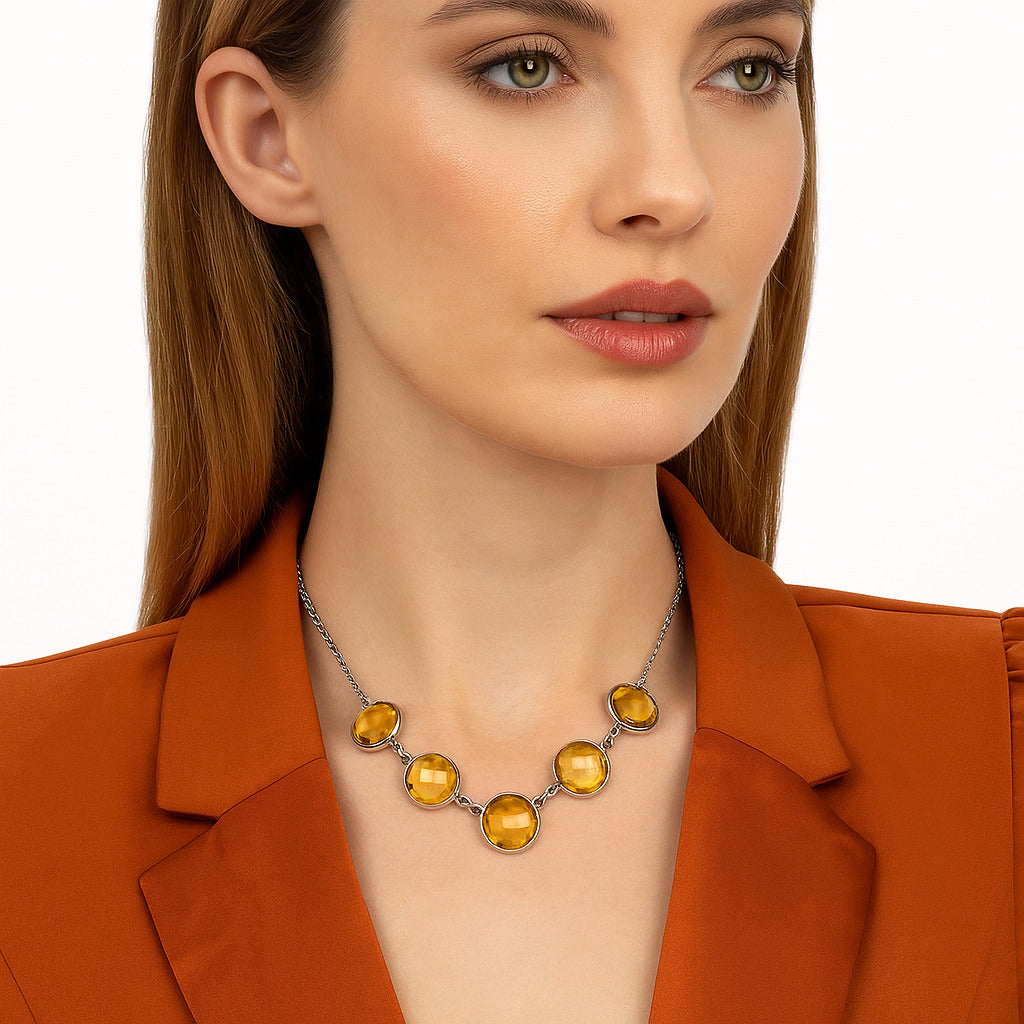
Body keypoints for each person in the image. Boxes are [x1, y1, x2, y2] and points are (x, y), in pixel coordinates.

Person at [0, 0, 1019, 1020]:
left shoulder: (997, 765)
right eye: (526, 66)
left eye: (747, 70)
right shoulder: (23, 809)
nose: (674, 189)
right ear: (266, 136)